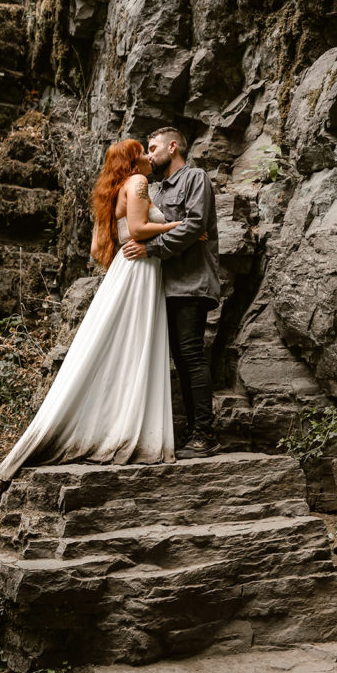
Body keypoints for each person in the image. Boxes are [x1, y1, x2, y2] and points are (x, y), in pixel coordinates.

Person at [0, 138, 179, 498]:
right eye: (143, 152)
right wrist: (175, 227)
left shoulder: (119, 188)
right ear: (134, 160)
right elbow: (140, 229)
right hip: (140, 270)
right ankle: (127, 426)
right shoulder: (138, 182)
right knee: (134, 343)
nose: (150, 156)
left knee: (125, 344)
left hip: (129, 270)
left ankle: (120, 421)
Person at [122, 127, 221, 459]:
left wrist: (152, 248)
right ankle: (189, 430)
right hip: (162, 285)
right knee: (178, 359)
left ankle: (204, 434)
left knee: (191, 355)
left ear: (173, 146)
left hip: (191, 283)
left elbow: (194, 226)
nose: (149, 154)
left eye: (153, 147)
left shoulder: (196, 179)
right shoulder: (155, 190)